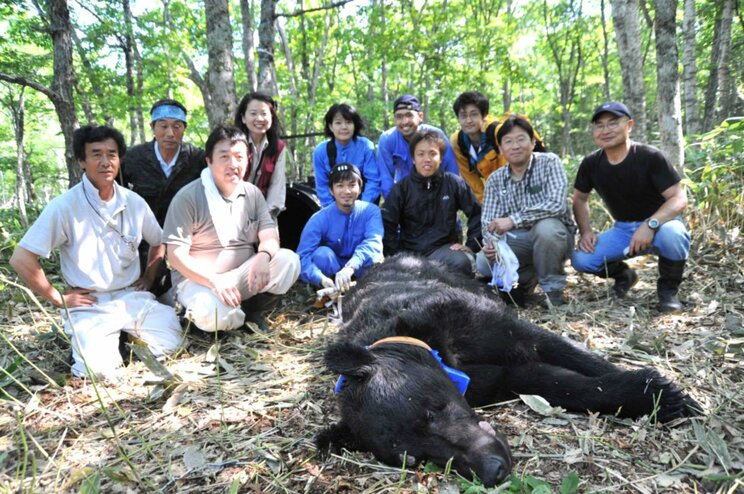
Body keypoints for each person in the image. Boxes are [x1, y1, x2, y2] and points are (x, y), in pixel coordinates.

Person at [10, 125, 182, 379]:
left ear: (119, 159)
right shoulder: (65, 206)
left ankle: (122, 339)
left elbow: (158, 241)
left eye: (112, 154)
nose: (105, 162)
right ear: (81, 160)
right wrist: (57, 297)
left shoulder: (133, 202)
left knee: (173, 344)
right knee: (96, 372)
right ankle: (92, 346)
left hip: (130, 295)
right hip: (90, 302)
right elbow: (21, 258)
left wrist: (148, 276)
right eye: (96, 154)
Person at [163, 126, 300, 332]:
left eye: (239, 157)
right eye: (224, 157)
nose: (233, 164)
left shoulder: (252, 193)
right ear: (209, 160)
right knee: (213, 313)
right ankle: (216, 317)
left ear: (248, 160)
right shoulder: (188, 197)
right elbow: (175, 256)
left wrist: (263, 256)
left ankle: (252, 313)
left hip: (243, 275)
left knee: (288, 261)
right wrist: (214, 281)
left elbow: (269, 235)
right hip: (200, 281)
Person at [571, 102, 690, 313]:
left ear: (630, 125)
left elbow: (679, 198)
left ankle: (668, 291)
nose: (606, 130)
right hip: (623, 229)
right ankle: (624, 275)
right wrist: (586, 231)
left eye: (613, 123)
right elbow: (579, 199)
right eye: (600, 125)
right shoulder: (591, 163)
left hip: (662, 224)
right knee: (582, 259)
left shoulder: (650, 156)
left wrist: (650, 224)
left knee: (674, 235)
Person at [475, 116, 574, 307]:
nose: (515, 146)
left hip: (555, 237)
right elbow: (489, 222)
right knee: (482, 263)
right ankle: (528, 278)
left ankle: (553, 292)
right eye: (508, 142)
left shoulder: (549, 163)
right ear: (501, 149)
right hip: (520, 241)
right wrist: (491, 244)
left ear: (533, 142)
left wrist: (513, 220)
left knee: (546, 230)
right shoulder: (496, 180)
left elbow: (556, 205)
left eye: (521, 139)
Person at [120, 98, 206, 295]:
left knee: (188, 285)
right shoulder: (134, 158)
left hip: (187, 235)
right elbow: (117, 192)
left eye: (177, 126)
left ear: (184, 129)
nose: (170, 133)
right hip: (143, 237)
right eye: (163, 126)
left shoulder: (197, 158)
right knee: (145, 288)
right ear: (152, 127)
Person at [382, 130, 481, 276]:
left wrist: (471, 245)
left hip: (443, 250)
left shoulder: (453, 183)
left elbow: (476, 213)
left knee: (461, 262)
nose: (427, 159)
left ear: (440, 158)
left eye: (433, 154)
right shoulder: (402, 188)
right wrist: (396, 253)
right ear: (413, 159)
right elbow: (387, 223)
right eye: (421, 154)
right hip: (410, 253)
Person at [297, 163, 384, 292]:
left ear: (360, 188)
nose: (347, 191)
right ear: (331, 190)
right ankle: (330, 291)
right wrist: (320, 278)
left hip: (360, 270)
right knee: (321, 255)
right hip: (332, 274)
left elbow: (373, 242)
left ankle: (366, 289)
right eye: (340, 186)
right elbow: (302, 256)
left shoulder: (371, 211)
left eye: (352, 185)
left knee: (375, 256)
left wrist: (351, 267)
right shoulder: (319, 219)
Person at [450, 91, 545, 203]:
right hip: (496, 190)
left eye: (474, 114)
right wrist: (485, 204)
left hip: (527, 183)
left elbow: (510, 170)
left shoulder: (498, 132)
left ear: (484, 115)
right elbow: (471, 180)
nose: (468, 120)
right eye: (463, 116)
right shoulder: (458, 141)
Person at [378, 94, 459, 198]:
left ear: (420, 116)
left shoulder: (435, 135)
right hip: (405, 193)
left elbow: (451, 170)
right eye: (399, 117)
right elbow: (386, 178)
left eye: (409, 115)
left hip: (435, 190)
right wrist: (393, 206)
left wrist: (449, 199)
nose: (404, 122)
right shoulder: (387, 140)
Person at [312, 103, 381, 206]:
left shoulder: (366, 146)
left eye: (348, 122)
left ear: (355, 125)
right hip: (334, 207)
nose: (344, 127)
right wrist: (335, 210)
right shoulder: (320, 151)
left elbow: (374, 181)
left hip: (364, 204)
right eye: (338, 123)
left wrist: (361, 207)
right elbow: (322, 186)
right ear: (331, 126)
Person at [235, 92, 287, 220]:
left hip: (264, 211)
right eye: (253, 113)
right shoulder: (232, 144)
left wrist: (266, 217)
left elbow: (277, 185)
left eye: (264, 113)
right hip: (232, 211)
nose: (259, 118)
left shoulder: (278, 147)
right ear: (243, 117)